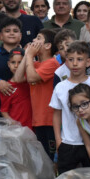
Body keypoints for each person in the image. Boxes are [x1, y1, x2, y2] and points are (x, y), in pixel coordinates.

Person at [49, 41, 90, 174]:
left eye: (79, 59)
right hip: (68, 142)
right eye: (70, 59)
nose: (75, 63)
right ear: (65, 61)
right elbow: (56, 114)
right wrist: (58, 140)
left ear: (88, 62)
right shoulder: (60, 87)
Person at [23, 29, 60, 160]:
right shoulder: (35, 64)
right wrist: (27, 55)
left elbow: (32, 78)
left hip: (49, 119)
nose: (33, 41)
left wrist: (28, 56)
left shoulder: (52, 63)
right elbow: (18, 78)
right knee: (43, 157)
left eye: (38, 38)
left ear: (48, 45)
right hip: (38, 119)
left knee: (51, 157)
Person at [0, 47, 33, 128]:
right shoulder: (6, 87)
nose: (16, 66)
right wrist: (13, 124)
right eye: (13, 62)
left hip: (33, 127)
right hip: (17, 130)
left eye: (20, 62)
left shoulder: (30, 80)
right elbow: (4, 111)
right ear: (8, 64)